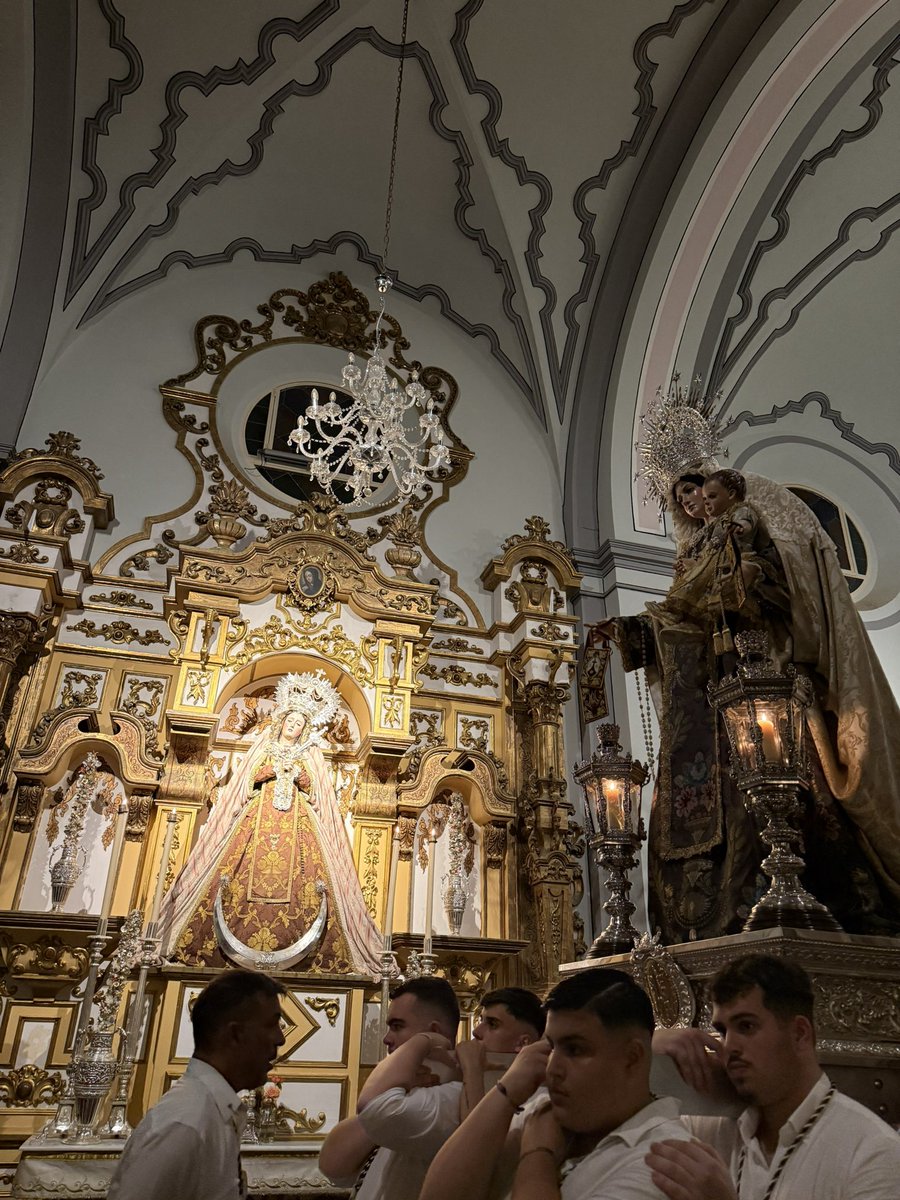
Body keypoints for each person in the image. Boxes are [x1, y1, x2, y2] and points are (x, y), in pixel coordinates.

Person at [592, 451, 900, 941]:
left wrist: (743, 584)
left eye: (696, 491)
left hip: (757, 672)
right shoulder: (690, 556)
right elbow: (679, 615)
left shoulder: (743, 527)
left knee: (790, 773)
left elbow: (776, 590)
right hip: (710, 685)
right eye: (682, 499)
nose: (693, 503)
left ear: (723, 492)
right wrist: (633, 631)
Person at [158, 671, 384, 975]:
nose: (294, 727)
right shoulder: (264, 746)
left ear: (305, 729)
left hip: (300, 821)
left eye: (300, 724)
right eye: (291, 721)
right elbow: (243, 782)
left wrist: (303, 778)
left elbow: (320, 793)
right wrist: (262, 774)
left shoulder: (311, 753)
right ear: (282, 721)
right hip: (257, 817)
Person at [420, 967, 691, 1200]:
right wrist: (506, 1093)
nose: (552, 1069)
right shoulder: (544, 1112)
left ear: (632, 1057)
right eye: (551, 1047)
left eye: (574, 1050)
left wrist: (538, 1155)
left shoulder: (666, 1160)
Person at [646, 953, 900, 1199]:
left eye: (746, 1026)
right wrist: (650, 1049)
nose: (729, 1046)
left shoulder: (871, 1151)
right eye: (723, 1031)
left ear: (800, 1033)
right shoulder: (712, 1129)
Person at [108, 969, 286, 1200]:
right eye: (271, 1025)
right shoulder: (184, 1125)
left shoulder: (211, 1113)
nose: (280, 1039)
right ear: (235, 1034)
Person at [319, 976, 462, 1200]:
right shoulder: (401, 1093)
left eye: (397, 1026)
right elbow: (333, 1165)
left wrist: (421, 1042)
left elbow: (368, 1106)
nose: (387, 1039)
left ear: (434, 1031)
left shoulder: (451, 1096)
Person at [458, 987, 547, 1116]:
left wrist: (472, 1068)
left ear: (523, 1043)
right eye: (481, 1020)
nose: (476, 1032)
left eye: (493, 1024)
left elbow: (475, 1134)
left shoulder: (539, 1099)